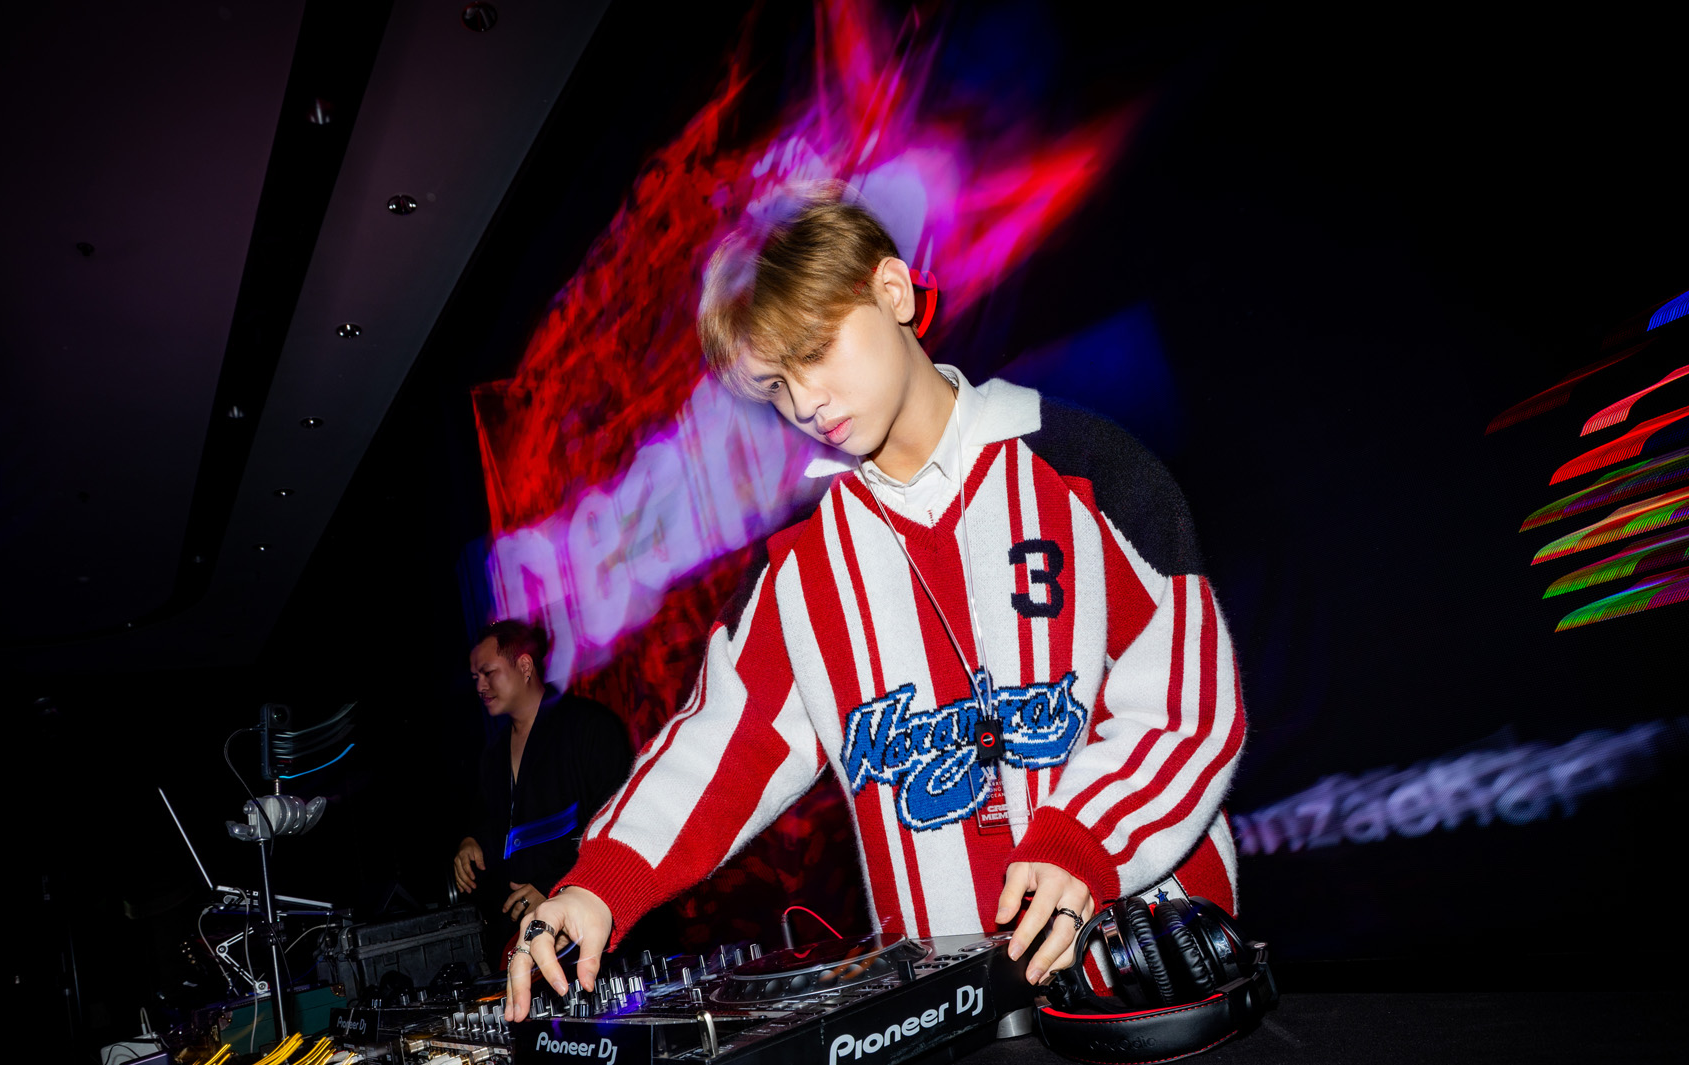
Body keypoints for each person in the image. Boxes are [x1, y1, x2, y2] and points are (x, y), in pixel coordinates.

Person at [507, 185, 1244, 1020]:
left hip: (1152, 989)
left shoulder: (1088, 469)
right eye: (776, 384)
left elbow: (1186, 705)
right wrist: (599, 886)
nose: (804, 403)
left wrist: (1083, 842)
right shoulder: (800, 566)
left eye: (816, 350)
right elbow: (718, 749)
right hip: (961, 1022)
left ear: (892, 291)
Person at [454, 620, 634, 965]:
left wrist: (553, 885)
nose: (480, 686)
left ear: (524, 666)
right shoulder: (493, 754)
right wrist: (472, 841)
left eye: (488, 673)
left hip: (596, 938)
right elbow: (494, 824)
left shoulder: (590, 727)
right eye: (475, 677)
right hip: (526, 943)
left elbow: (615, 826)